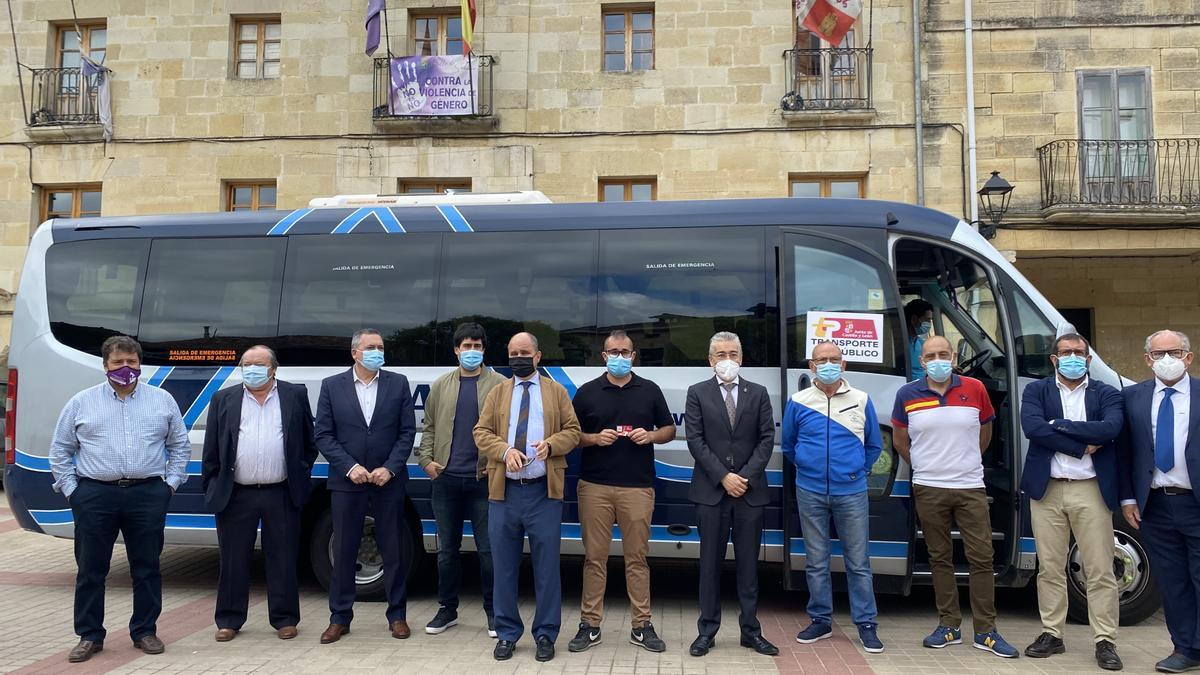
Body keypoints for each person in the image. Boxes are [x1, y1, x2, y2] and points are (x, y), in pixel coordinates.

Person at [48, 335, 190, 663]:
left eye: (131, 362)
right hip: (95, 495)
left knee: (147, 567)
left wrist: (168, 486)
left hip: (147, 494)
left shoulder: (162, 400)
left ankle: (145, 630)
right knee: (91, 569)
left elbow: (179, 446)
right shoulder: (81, 403)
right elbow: (60, 449)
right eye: (118, 362)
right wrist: (73, 490)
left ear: (140, 364)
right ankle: (89, 635)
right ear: (105, 366)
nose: (125, 368)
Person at [891, 335, 1018, 658]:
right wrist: (923, 465)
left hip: (970, 487)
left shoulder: (975, 388)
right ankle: (949, 625)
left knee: (981, 557)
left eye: (943, 354)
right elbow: (900, 440)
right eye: (931, 355)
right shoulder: (907, 394)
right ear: (922, 361)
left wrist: (965, 462)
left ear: (954, 356)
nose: (937, 359)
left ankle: (986, 631)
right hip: (929, 487)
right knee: (939, 558)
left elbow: (985, 432)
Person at [1018, 333, 1124, 670]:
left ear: (1089, 359)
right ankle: (1053, 634)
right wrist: (1080, 444)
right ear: (1054, 359)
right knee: (1049, 567)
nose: (1073, 357)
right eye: (1066, 352)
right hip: (1047, 489)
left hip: (1090, 489)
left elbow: (1110, 428)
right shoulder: (1037, 390)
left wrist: (1060, 426)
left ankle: (1105, 640)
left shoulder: (1106, 392)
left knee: (1100, 570)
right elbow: (1033, 427)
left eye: (1079, 352)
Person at [474, 332, 581, 663]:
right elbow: (481, 432)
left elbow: (573, 431)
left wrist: (551, 445)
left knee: (546, 568)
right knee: (503, 566)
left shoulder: (556, 391)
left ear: (537, 356)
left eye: (524, 352)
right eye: (512, 352)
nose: (518, 357)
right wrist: (505, 450)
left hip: (542, 493)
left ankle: (546, 634)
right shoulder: (497, 392)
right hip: (504, 492)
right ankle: (507, 634)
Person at [567, 330, 675, 654]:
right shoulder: (586, 393)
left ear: (633, 355)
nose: (619, 356)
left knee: (637, 559)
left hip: (638, 487)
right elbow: (571, 435)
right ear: (603, 356)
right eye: (613, 351)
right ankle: (590, 625)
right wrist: (594, 438)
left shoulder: (650, 390)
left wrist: (652, 437)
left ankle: (641, 626)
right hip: (594, 486)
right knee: (594, 559)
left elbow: (670, 429)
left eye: (624, 351)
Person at [201, 345, 317, 642]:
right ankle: (229, 619)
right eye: (246, 364)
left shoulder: (294, 395)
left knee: (283, 558)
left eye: (258, 364)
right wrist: (214, 485)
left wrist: (300, 470)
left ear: (273, 369)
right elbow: (212, 450)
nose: (251, 369)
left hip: (281, 492)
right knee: (233, 560)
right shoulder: (223, 398)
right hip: (237, 494)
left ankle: (285, 619)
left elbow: (309, 441)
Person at [314, 329, 416, 644]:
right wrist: (351, 467)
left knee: (393, 550)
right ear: (355, 352)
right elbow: (324, 434)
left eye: (380, 347)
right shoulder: (332, 386)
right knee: (344, 550)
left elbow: (407, 432)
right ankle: (339, 618)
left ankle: (397, 616)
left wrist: (391, 467)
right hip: (348, 482)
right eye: (370, 347)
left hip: (388, 482)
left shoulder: (397, 384)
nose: (377, 352)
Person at [781, 341, 884, 653]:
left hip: (851, 492)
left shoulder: (861, 399)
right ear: (811, 366)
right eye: (821, 360)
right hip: (810, 491)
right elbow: (788, 445)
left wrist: (856, 471)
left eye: (834, 359)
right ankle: (820, 620)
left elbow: (874, 446)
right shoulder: (798, 401)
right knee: (816, 561)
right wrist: (810, 469)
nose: (828, 364)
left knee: (858, 562)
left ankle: (866, 625)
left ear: (844, 365)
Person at [686, 331, 779, 658]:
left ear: (741, 358)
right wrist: (724, 477)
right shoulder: (697, 392)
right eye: (720, 354)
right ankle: (706, 632)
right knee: (709, 566)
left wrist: (744, 477)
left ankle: (750, 631)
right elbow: (695, 440)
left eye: (733, 353)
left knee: (748, 568)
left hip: (749, 493)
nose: (727, 360)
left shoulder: (759, 393)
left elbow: (766, 439)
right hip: (711, 492)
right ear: (710, 360)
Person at [416, 322, 506, 637]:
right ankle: (447, 610)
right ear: (456, 350)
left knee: (488, 550)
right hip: (446, 479)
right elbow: (428, 426)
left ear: (484, 349)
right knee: (446, 551)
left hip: (483, 479)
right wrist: (426, 461)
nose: (471, 352)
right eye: (466, 346)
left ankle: (495, 613)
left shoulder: (499, 384)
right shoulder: (441, 385)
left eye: (477, 346)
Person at [1118, 330, 1198, 674]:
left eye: (1175, 351)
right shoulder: (1132, 397)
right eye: (1159, 353)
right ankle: (1185, 649)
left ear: (1188, 357)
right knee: (1172, 580)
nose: (1167, 359)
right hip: (1156, 505)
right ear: (1147, 359)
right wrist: (1127, 498)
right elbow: (1125, 453)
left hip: (1195, 501)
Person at [905, 299, 934, 380]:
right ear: (914, 319)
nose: (929, 324)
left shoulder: (921, 343)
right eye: (927, 319)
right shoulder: (900, 344)